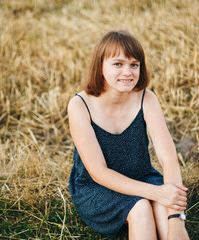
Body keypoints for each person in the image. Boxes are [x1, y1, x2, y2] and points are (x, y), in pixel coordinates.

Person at [68, 30, 189, 240]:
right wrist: (156, 192)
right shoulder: (80, 105)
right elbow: (98, 172)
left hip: (141, 176)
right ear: (100, 68)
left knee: (164, 210)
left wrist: (177, 220)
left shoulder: (147, 98)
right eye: (118, 64)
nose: (128, 72)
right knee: (141, 207)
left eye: (134, 64)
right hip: (96, 187)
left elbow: (168, 158)